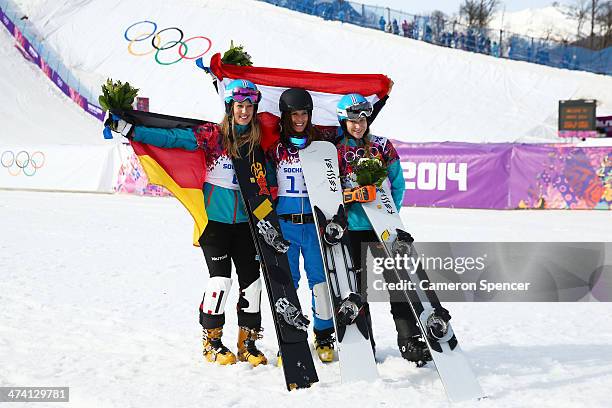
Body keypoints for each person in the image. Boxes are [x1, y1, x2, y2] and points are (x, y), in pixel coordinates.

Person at [114, 80, 268, 367]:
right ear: (230, 107)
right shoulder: (213, 136)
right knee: (220, 281)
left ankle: (248, 342)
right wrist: (132, 130)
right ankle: (212, 341)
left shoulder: (259, 142)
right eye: (239, 106)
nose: (244, 111)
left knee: (253, 284)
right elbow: (173, 138)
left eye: (249, 106)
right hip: (214, 223)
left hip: (247, 225)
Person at [334, 93, 432, 366]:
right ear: (344, 121)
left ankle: (409, 340)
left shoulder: (382, 146)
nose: (358, 125)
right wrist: (352, 197)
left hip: (382, 228)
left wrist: (390, 215)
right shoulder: (334, 149)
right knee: (357, 289)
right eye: (353, 120)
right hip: (351, 229)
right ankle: (364, 343)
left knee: (399, 284)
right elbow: (328, 192)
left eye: (363, 120)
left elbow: (398, 184)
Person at [265, 88, 336, 363]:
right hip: (286, 227)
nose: (300, 119)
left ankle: (323, 334)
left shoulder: (321, 145)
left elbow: (353, 127)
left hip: (315, 226)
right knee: (288, 285)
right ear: (285, 116)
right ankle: (291, 338)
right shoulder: (276, 150)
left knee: (320, 283)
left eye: (304, 113)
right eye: (294, 114)